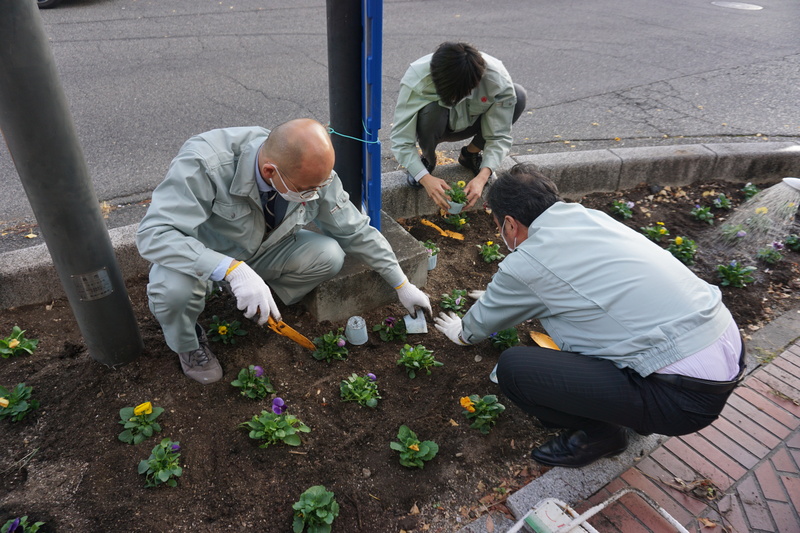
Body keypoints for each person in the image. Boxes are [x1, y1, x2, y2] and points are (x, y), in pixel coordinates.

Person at [434, 164, 744, 468]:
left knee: (514, 369)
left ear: (511, 225)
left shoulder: (529, 261)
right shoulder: (590, 218)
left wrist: (461, 333)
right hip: (727, 343)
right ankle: (640, 414)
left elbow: (478, 327)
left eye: (498, 224)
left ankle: (601, 435)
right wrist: (499, 297)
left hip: (684, 400)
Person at [137, 119, 431, 384]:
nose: (314, 194)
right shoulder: (206, 163)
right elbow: (154, 234)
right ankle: (190, 345)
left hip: (261, 250)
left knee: (329, 254)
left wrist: (401, 283)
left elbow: (354, 230)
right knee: (173, 292)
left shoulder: (311, 170)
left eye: (318, 186)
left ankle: (260, 296)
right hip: (202, 256)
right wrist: (229, 269)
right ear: (269, 171)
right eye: (305, 190)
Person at [391, 42, 527, 212]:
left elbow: (498, 135)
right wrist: (425, 178)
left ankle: (470, 154)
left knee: (518, 95)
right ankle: (427, 160)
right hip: (435, 125)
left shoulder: (497, 79)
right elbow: (401, 139)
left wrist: (482, 176)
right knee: (432, 110)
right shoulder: (418, 77)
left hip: (473, 124)